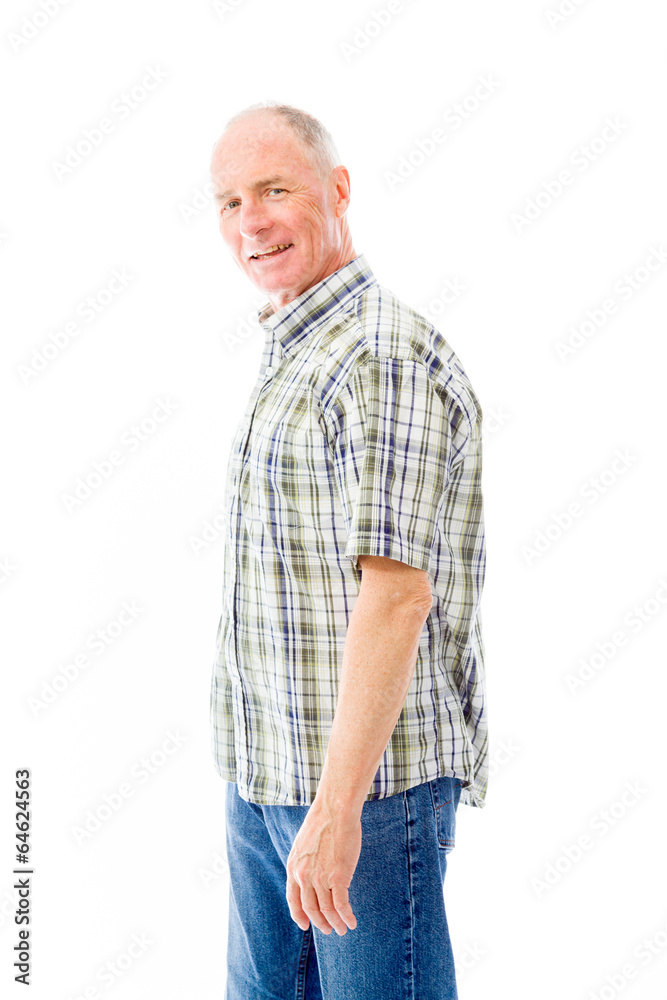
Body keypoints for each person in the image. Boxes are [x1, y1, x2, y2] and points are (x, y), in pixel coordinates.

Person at [208, 100, 488, 1000]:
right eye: (229, 201)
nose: (250, 221)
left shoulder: (377, 356)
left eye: (274, 190)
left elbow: (397, 594)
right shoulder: (300, 348)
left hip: (363, 795)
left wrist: (336, 809)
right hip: (266, 777)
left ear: (336, 190)